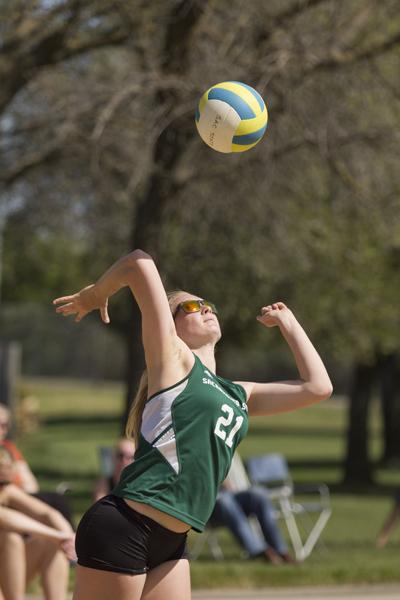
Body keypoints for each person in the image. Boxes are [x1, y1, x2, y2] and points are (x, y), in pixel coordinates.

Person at [53, 249, 332, 600]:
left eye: (208, 304)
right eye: (190, 306)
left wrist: (289, 324)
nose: (205, 309)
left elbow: (318, 388)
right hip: (125, 525)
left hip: (171, 540)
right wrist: (95, 295)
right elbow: (139, 263)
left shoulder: (237, 393)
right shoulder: (173, 360)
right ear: (170, 324)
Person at [0, 446, 75, 600]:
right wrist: (57, 535)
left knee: (52, 545)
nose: (6, 470)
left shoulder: (6, 490)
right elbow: (5, 518)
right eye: (1, 465)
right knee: (11, 538)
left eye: (9, 465)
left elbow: (47, 513)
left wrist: (68, 537)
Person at [0, 403, 74, 527]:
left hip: (22, 494)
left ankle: (72, 540)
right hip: (8, 497)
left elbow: (29, 480)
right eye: (1, 425)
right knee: (56, 502)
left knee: (56, 503)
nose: (4, 430)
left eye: (6, 425)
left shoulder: (9, 448)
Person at [210, 477, 293, 565]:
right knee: (225, 500)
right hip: (211, 504)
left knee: (259, 494)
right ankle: (259, 550)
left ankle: (280, 550)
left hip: (230, 495)